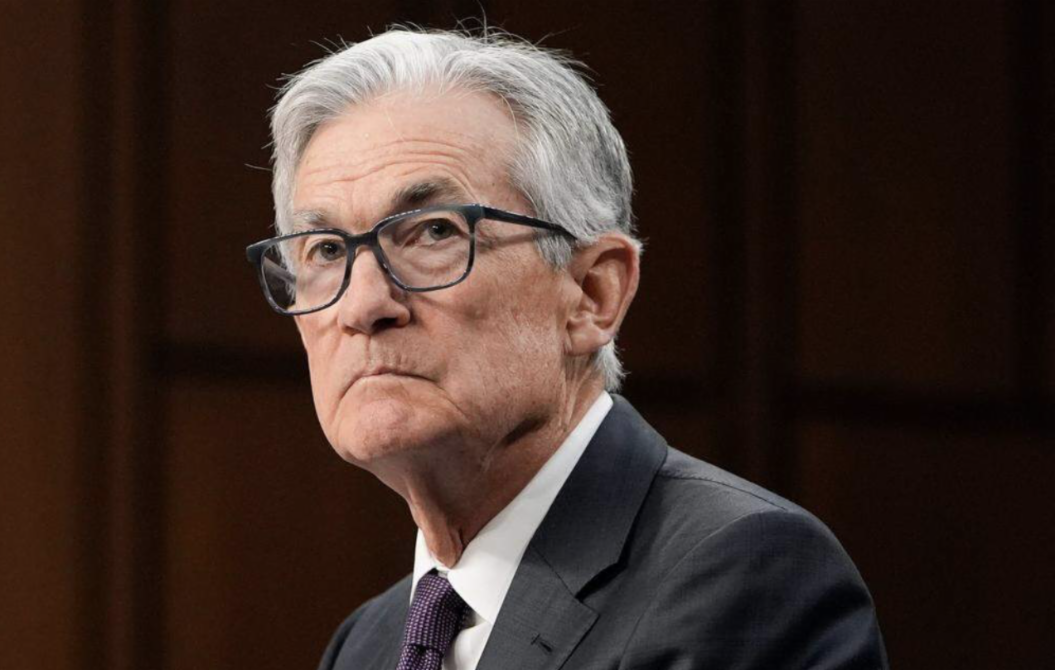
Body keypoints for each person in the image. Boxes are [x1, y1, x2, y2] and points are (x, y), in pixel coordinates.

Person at [246, 27, 888, 670]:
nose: (362, 306)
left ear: (591, 294)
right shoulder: (366, 645)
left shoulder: (745, 575)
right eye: (325, 250)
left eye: (434, 231)